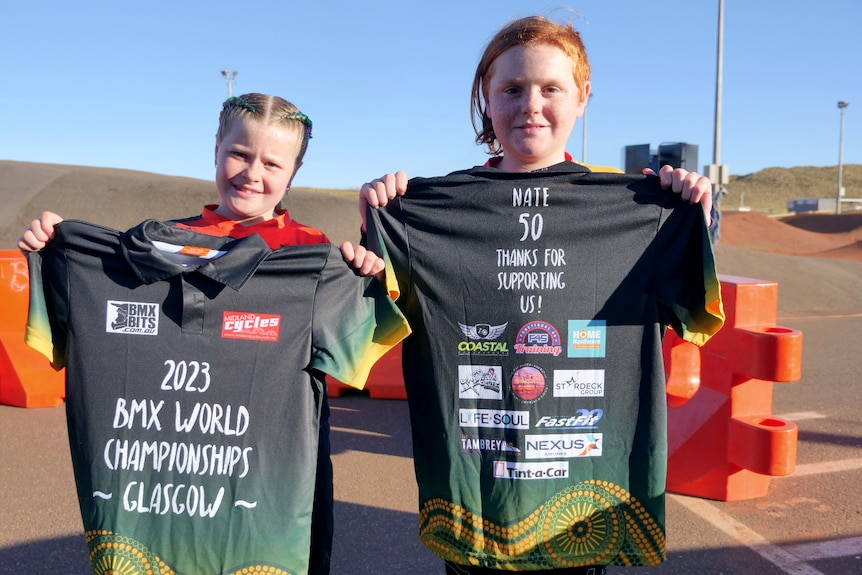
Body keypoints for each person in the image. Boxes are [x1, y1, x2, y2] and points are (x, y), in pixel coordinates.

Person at [359, 16, 724, 575]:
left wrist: (697, 215)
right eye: (511, 89)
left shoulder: (641, 211)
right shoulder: (425, 212)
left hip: (582, 500)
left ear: (583, 97)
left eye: (551, 88)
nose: (531, 104)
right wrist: (378, 228)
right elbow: (373, 316)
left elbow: (689, 301)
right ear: (486, 97)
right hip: (477, 500)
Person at [19, 93, 409, 575]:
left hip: (275, 455)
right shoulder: (161, 241)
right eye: (240, 154)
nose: (252, 173)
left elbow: (355, 353)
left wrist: (362, 272)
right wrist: (56, 251)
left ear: (294, 171)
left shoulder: (314, 255)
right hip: (166, 450)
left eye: (272, 162)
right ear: (217, 150)